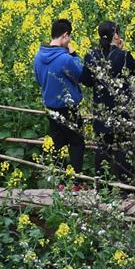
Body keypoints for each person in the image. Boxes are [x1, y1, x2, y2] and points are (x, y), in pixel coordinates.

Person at [80, 21, 135, 183]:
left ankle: (101, 185)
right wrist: (120, 51)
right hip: (121, 109)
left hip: (101, 108)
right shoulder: (122, 55)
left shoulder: (91, 56)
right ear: (115, 36)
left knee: (102, 147)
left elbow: (85, 80)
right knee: (123, 146)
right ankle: (125, 186)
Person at [33, 18, 86, 178]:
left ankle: (61, 181)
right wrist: (74, 53)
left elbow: (38, 80)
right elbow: (81, 74)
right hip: (68, 108)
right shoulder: (65, 59)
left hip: (50, 107)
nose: (69, 40)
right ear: (64, 35)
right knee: (77, 143)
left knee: (58, 144)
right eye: (69, 37)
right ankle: (76, 181)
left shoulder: (38, 57)